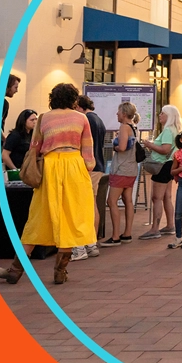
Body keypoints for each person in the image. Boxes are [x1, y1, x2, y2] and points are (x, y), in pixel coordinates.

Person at [6, 82, 98, 285]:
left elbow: (35, 146)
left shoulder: (44, 118)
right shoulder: (81, 118)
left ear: (53, 98)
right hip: (74, 165)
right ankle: (60, 271)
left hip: (50, 166)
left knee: (38, 216)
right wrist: (87, 168)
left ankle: (15, 269)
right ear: (73, 99)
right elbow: (88, 149)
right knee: (71, 216)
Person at [100, 102, 141, 246]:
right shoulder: (134, 127)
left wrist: (115, 146)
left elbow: (122, 147)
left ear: (124, 113)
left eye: (118, 112)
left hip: (121, 169)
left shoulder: (124, 127)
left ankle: (115, 235)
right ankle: (127, 233)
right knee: (127, 200)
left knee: (111, 201)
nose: (117, 114)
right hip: (131, 168)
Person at [76, 94, 108, 258]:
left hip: (90, 166)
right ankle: (92, 241)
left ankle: (91, 240)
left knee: (89, 203)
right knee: (92, 202)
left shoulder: (86, 120)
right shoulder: (98, 119)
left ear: (80, 106)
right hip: (98, 164)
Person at [142, 104, 180, 238]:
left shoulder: (168, 131)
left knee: (156, 197)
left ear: (168, 116)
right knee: (166, 196)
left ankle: (154, 229)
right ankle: (170, 225)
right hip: (169, 164)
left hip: (162, 165)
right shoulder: (173, 129)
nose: (160, 115)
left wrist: (149, 145)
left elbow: (165, 149)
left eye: (162, 113)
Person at [2, 109, 37, 178]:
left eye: (36, 119)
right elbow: (5, 155)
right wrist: (15, 170)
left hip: (26, 170)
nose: (35, 122)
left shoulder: (32, 135)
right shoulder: (15, 135)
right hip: (16, 169)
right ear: (24, 121)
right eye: (32, 120)